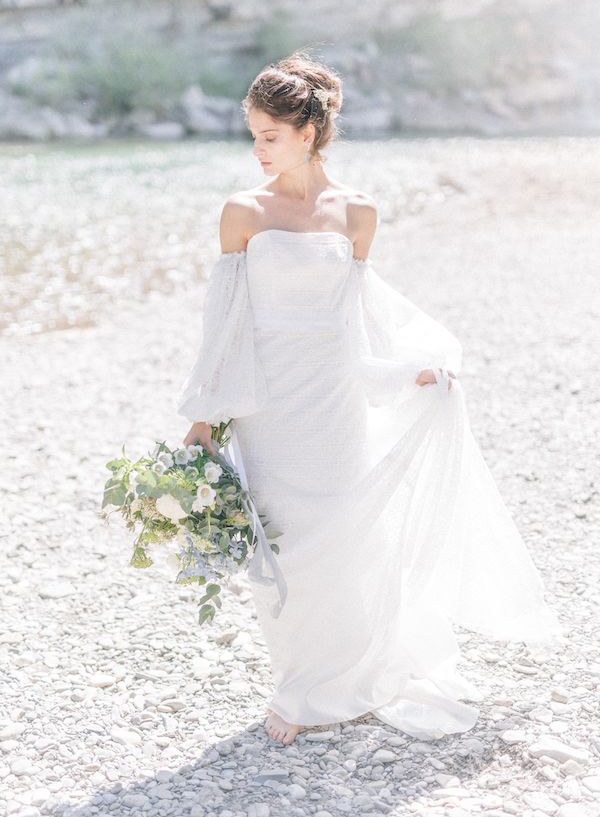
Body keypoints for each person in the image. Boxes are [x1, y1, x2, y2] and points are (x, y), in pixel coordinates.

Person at [177, 50, 564, 746]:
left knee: (348, 541)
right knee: (287, 550)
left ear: (308, 132)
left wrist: (409, 372)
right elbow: (224, 327)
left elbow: (362, 317)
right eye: (253, 135)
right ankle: (300, 685)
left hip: (335, 401)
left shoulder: (358, 213)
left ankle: (345, 681)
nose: (257, 149)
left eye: (269, 135)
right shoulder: (242, 212)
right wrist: (204, 419)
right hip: (270, 409)